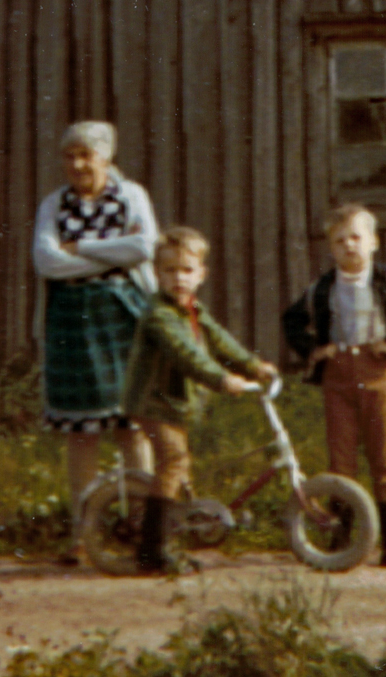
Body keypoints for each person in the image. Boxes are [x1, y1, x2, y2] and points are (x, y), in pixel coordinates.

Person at [281, 203, 386, 568]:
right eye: (339, 240)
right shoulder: (322, 289)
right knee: (342, 460)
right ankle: (342, 537)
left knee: (385, 458)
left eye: (356, 237)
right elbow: (292, 319)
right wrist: (314, 350)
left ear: (374, 242)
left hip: (377, 373)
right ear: (331, 248)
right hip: (337, 378)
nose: (349, 246)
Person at [31, 120, 157, 564]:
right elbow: (46, 261)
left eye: (88, 154)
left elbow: (142, 248)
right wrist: (106, 251)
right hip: (72, 321)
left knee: (131, 424)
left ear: (107, 158)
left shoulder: (131, 196)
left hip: (125, 317)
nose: (79, 164)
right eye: (70, 155)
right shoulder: (53, 204)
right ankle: (83, 535)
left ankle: (145, 527)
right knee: (81, 433)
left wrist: (79, 247)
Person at [123, 226, 277, 573]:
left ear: (201, 275)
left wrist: (252, 365)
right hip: (151, 403)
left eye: (187, 270)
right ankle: (152, 551)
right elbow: (186, 355)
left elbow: (219, 341)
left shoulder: (193, 308)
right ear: (156, 273)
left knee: (179, 466)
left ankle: (169, 539)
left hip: (171, 401)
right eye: (170, 270)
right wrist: (222, 379)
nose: (179, 278)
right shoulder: (159, 314)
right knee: (173, 461)